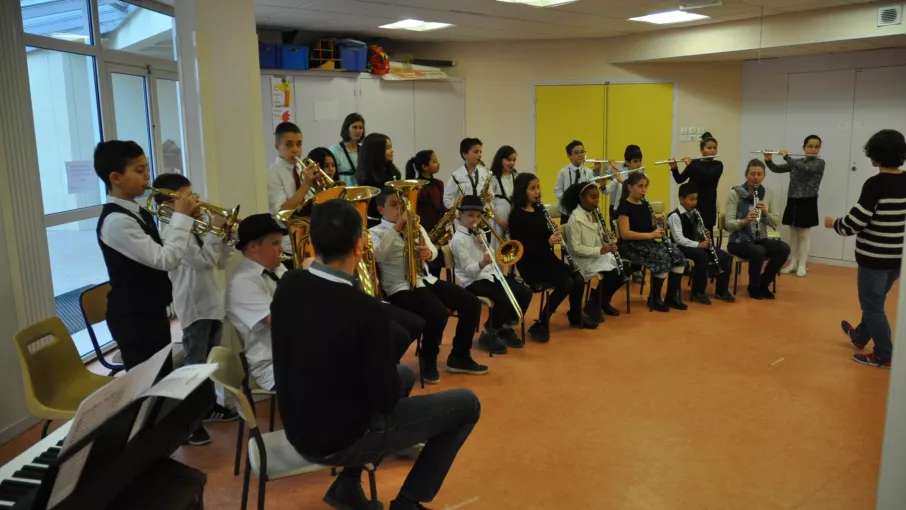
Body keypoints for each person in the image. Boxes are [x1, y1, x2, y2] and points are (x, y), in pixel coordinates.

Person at [272, 199, 481, 510]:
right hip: (339, 438)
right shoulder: (365, 309)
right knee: (467, 405)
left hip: (298, 424)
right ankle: (408, 502)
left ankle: (347, 485)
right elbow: (383, 401)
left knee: (405, 375)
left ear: (312, 243)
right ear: (359, 247)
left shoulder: (288, 283)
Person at [94, 141, 215, 445]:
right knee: (146, 385)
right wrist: (182, 219)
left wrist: (190, 222)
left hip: (150, 311)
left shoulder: (138, 211)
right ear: (115, 178)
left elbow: (164, 248)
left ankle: (167, 432)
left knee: (161, 377)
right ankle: (145, 444)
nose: (147, 176)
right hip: (133, 317)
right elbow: (165, 259)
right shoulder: (116, 222)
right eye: (139, 170)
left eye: (147, 168)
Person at [370, 187, 489, 383]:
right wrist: (397, 227)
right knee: (438, 312)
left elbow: (433, 251)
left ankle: (459, 356)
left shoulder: (414, 225)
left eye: (401, 203)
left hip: (424, 280)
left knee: (471, 303)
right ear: (381, 210)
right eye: (393, 204)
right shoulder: (374, 232)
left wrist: (428, 253)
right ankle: (428, 358)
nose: (400, 208)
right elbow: (378, 254)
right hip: (400, 288)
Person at [151, 173, 239, 429]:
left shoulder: (196, 225)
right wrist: (215, 233)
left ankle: (207, 407)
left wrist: (224, 235)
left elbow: (220, 261)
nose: (195, 199)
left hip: (213, 301)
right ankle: (189, 422)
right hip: (195, 305)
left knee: (209, 363)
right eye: (187, 195)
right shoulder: (171, 230)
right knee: (194, 364)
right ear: (169, 203)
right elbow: (203, 260)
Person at [826, 129, 906, 369]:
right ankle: (860, 337)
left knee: (872, 307)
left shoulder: (875, 184)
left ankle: (884, 354)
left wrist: (834, 224)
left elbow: (856, 222)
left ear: (876, 156)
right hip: (897, 258)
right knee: (877, 301)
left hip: (874, 259)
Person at [509, 173, 598, 340]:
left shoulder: (539, 209)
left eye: (538, 188)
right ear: (522, 191)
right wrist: (548, 242)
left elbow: (542, 235)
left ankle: (575, 314)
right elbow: (523, 247)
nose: (537, 192)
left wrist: (552, 231)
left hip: (546, 259)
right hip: (530, 263)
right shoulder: (516, 215)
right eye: (532, 188)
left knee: (578, 277)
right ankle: (541, 322)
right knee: (567, 282)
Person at [451, 195, 532, 349]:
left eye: (477, 216)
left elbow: (493, 254)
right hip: (473, 281)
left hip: (490, 276)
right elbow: (469, 271)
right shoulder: (458, 240)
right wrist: (482, 263)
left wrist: (485, 247)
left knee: (524, 292)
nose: (474, 220)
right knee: (505, 299)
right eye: (470, 216)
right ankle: (488, 333)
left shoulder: (479, 233)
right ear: (459, 215)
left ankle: (505, 327)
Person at [225, 214, 287, 391]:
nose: (281, 250)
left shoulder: (276, 268)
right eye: (275, 244)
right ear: (253, 247)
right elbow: (280, 321)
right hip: (273, 366)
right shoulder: (243, 282)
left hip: (293, 353)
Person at [616, 172, 687, 312]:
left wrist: (656, 224)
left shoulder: (644, 204)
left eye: (645, 186)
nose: (644, 190)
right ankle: (654, 299)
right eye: (640, 186)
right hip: (631, 246)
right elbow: (625, 234)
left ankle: (671, 297)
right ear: (630, 187)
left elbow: (647, 226)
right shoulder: (624, 206)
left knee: (678, 255)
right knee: (662, 257)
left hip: (647, 242)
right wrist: (650, 234)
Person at [560, 182, 627, 322]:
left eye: (597, 197)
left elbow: (597, 237)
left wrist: (606, 239)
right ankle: (595, 303)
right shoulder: (575, 218)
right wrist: (601, 249)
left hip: (596, 255)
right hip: (581, 260)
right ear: (582, 198)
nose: (597, 201)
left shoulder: (593, 213)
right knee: (612, 274)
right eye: (593, 197)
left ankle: (598, 302)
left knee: (625, 269)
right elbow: (576, 248)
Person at [725, 160, 791, 300]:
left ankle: (762, 283)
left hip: (759, 238)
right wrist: (745, 220)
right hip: (738, 241)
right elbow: (728, 224)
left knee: (784, 248)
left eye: (759, 174)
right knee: (758, 251)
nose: (756, 177)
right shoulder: (734, 193)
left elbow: (775, 222)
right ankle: (754, 288)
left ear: (764, 176)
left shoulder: (769, 194)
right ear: (746, 175)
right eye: (752, 174)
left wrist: (766, 213)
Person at [765, 135, 825, 277]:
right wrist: (768, 160)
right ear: (804, 147)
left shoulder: (819, 163)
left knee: (804, 234)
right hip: (793, 200)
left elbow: (805, 169)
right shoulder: (796, 162)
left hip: (808, 200)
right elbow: (777, 169)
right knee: (793, 234)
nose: (813, 149)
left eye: (817, 146)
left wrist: (787, 157)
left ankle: (802, 265)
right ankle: (792, 263)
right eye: (810, 146)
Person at [666, 183, 735, 305]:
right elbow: (679, 239)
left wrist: (704, 234)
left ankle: (721, 290)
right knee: (702, 256)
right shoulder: (674, 216)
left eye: (696, 199)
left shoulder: (695, 213)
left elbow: (697, 231)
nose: (694, 202)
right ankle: (698, 292)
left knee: (725, 256)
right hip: (681, 247)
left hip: (696, 245)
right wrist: (699, 244)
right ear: (681, 199)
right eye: (691, 199)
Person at [266, 121, 319, 261]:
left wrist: (319, 188)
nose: (296, 150)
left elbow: (311, 203)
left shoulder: (301, 169)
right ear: (277, 147)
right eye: (289, 145)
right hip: (288, 241)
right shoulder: (272, 174)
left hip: (310, 233)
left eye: (299, 144)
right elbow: (281, 212)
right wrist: (306, 185)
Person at [669, 132, 723, 239]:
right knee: (690, 233)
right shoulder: (695, 163)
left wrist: (690, 165)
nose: (712, 150)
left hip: (708, 204)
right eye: (709, 148)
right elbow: (680, 179)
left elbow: (707, 176)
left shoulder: (718, 165)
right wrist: (674, 168)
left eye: (714, 148)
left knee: (707, 235)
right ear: (702, 150)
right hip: (692, 203)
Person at [406, 150, 446, 279]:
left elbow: (440, 205)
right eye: (434, 161)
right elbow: (414, 211)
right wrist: (422, 232)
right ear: (424, 167)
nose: (438, 163)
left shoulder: (439, 184)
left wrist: (448, 213)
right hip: (424, 229)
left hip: (437, 230)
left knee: (437, 266)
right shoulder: (415, 186)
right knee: (425, 266)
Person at [355, 133, 401, 224]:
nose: (392, 151)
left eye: (391, 147)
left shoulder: (392, 171)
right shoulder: (367, 177)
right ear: (376, 151)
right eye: (388, 148)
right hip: (376, 222)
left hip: (392, 218)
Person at [553, 140, 601, 226]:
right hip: (567, 212)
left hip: (584, 211)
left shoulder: (588, 172)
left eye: (582, 152)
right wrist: (568, 199)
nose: (580, 155)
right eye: (576, 152)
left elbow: (593, 189)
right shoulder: (563, 172)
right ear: (569, 155)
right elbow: (557, 191)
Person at [443, 138, 493, 210]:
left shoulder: (485, 172)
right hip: (464, 218)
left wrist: (491, 195)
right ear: (465, 155)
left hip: (482, 215)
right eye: (476, 152)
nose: (479, 155)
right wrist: (457, 213)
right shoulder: (456, 175)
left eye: (480, 152)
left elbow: (490, 190)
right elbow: (447, 198)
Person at [488, 145, 518, 251]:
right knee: (498, 250)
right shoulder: (493, 178)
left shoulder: (516, 176)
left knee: (515, 250)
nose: (512, 163)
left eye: (514, 160)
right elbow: (489, 204)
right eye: (509, 160)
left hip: (513, 217)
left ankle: (513, 269)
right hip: (499, 218)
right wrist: (498, 220)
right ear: (500, 159)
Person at [329, 112, 365, 186]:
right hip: (342, 192)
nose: (358, 131)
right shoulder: (335, 150)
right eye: (355, 127)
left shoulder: (364, 150)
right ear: (347, 129)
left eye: (361, 128)